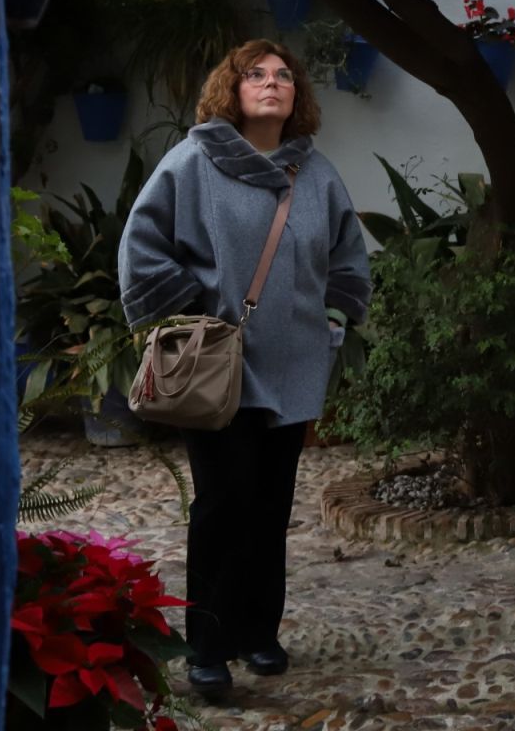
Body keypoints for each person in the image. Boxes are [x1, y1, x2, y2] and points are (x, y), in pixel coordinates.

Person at [119, 40, 371, 701]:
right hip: (217, 371)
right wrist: (195, 313)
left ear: (297, 97)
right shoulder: (194, 162)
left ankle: (260, 630)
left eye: (283, 75)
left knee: (270, 505)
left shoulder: (314, 175)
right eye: (255, 74)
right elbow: (141, 246)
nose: (271, 83)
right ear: (230, 89)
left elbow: (347, 256)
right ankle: (208, 644)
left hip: (293, 369)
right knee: (223, 503)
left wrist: (336, 322)